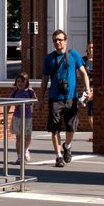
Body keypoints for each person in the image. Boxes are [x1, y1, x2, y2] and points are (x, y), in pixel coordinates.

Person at [38, 29, 92, 167]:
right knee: (54, 128)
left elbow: (84, 73)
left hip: (71, 97)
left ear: (65, 41)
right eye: (55, 40)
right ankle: (58, 156)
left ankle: (67, 146)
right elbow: (44, 79)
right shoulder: (49, 58)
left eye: (60, 40)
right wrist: (41, 98)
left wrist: (87, 90)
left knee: (71, 127)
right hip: (55, 98)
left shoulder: (73, 55)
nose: (58, 42)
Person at [9, 73, 36, 165]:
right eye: (18, 81)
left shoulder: (29, 92)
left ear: (27, 82)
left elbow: (35, 100)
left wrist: (32, 92)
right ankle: (19, 156)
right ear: (16, 82)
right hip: (17, 117)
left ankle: (26, 149)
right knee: (18, 138)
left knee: (28, 137)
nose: (20, 83)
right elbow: (8, 104)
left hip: (27, 117)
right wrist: (5, 115)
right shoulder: (14, 92)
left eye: (23, 81)